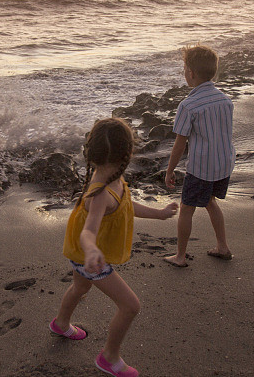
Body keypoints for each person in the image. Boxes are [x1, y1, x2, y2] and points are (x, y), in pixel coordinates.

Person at [50, 117, 178, 377]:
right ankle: (109, 357)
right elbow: (89, 232)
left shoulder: (113, 178)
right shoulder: (100, 194)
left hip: (81, 254)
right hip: (89, 256)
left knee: (80, 287)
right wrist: (92, 250)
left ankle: (60, 324)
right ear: (127, 154)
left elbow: (127, 207)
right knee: (130, 306)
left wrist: (159, 214)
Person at [164, 44, 235, 267]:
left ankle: (180, 256)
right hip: (223, 164)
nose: (184, 73)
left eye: (185, 69)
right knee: (211, 201)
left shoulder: (189, 105)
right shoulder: (225, 100)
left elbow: (179, 143)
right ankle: (222, 246)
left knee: (186, 208)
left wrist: (169, 170)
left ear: (191, 73)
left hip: (202, 167)